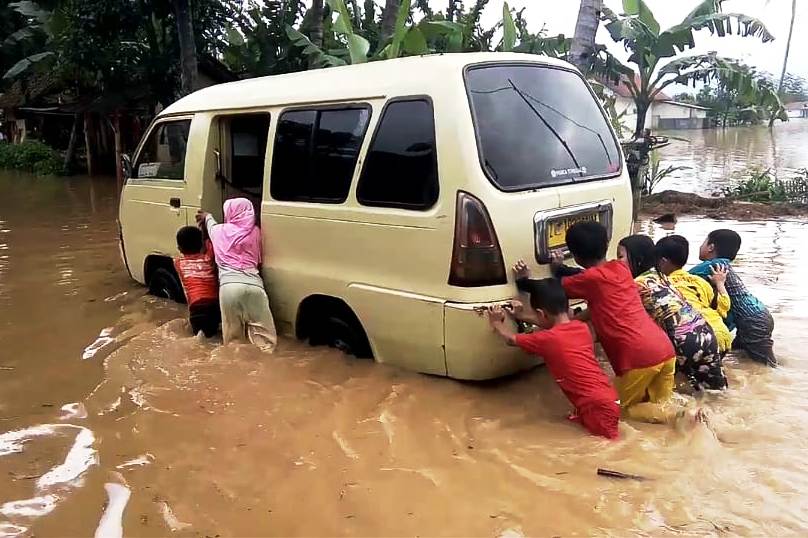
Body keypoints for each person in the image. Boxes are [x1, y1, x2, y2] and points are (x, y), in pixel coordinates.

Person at [515, 221, 676, 423]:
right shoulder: (621, 269)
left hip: (639, 358)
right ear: (606, 245)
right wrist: (560, 269)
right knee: (661, 407)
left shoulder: (590, 280)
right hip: (665, 350)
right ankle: (686, 416)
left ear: (576, 256)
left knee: (621, 413)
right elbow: (588, 280)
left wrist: (523, 281)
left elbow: (551, 290)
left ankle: (682, 416)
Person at [486, 278, 620, 439]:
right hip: (606, 397)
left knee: (609, 445)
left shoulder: (547, 339)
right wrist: (522, 315)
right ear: (568, 307)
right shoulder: (582, 328)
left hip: (596, 406)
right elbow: (554, 327)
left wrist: (497, 323)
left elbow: (510, 339)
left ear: (542, 313)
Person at [617, 235, 726, 391]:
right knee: (715, 392)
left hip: (682, 341)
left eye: (620, 257)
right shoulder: (660, 277)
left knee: (672, 391)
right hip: (706, 333)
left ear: (638, 258)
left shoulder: (637, 285)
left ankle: (685, 414)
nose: (616, 262)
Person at [197, 198, 277, 352]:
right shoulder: (256, 232)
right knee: (266, 343)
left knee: (233, 342)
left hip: (229, 288)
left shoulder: (218, 231)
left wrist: (207, 216)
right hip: (255, 287)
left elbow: (210, 223)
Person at [690, 229, 775, 367]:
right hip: (757, 315)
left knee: (766, 366)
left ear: (711, 247)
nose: (700, 246)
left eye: (704, 242)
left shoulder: (713, 265)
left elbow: (679, 278)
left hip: (752, 320)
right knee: (740, 355)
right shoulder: (724, 264)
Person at [655, 235, 734, 356]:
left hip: (700, 339)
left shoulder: (664, 285)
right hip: (722, 335)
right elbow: (723, 307)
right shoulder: (699, 281)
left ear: (662, 261)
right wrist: (719, 283)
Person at [174, 226, 220, 337]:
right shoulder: (208, 259)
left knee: (201, 339)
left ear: (179, 248)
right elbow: (211, 243)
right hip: (214, 305)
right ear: (201, 244)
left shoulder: (178, 263)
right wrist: (205, 228)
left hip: (196, 308)